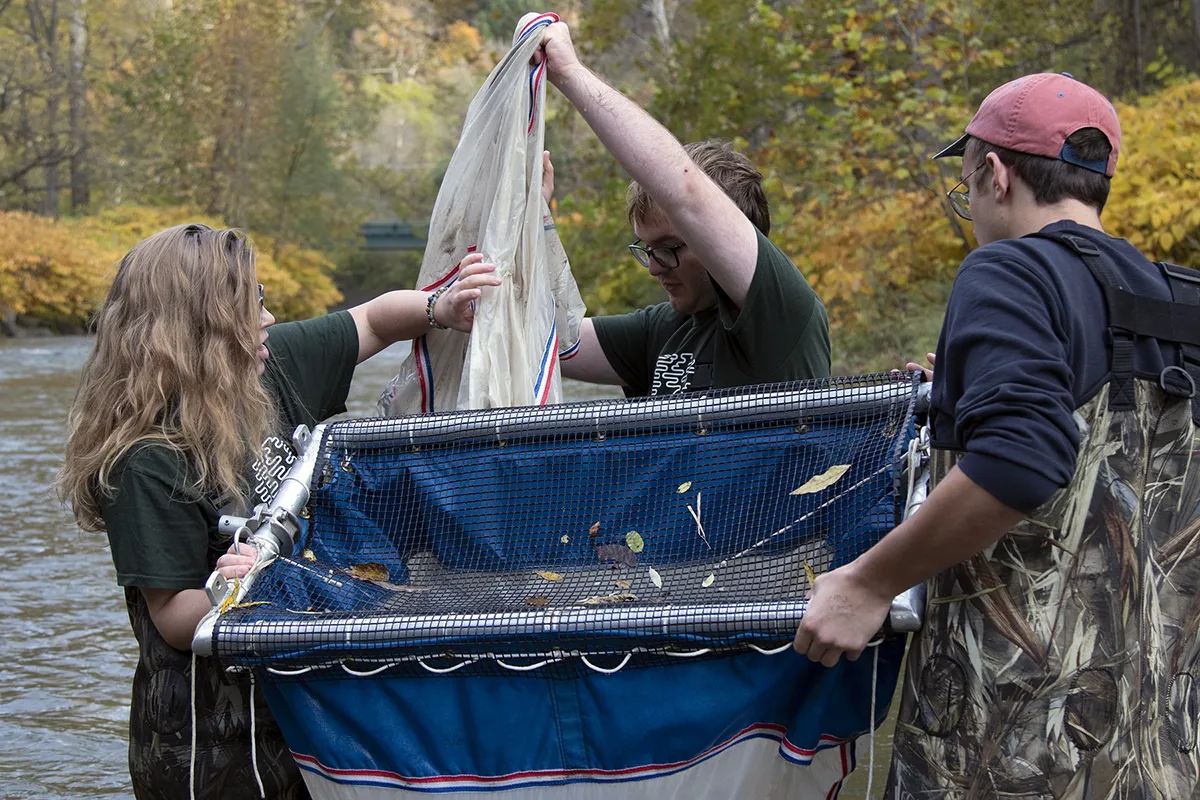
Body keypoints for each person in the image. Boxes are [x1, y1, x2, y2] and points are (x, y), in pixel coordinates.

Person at [793, 72, 1200, 797]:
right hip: (1159, 755)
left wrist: (867, 583)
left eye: (968, 188)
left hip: (1010, 755)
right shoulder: (1183, 301)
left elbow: (1021, 457)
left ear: (993, 173)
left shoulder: (1009, 273)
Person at [56, 224, 500, 799]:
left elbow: (374, 320)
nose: (267, 317)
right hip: (209, 737)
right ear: (200, 329)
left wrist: (442, 307)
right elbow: (172, 616)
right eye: (250, 304)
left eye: (262, 297)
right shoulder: (146, 460)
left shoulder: (271, 366)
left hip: (299, 700)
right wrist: (233, 584)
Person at [533, 23, 830, 396]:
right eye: (648, 249)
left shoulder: (780, 313)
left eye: (669, 248)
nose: (655, 267)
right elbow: (556, 343)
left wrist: (568, 71)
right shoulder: (663, 329)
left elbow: (685, 191)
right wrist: (533, 219)